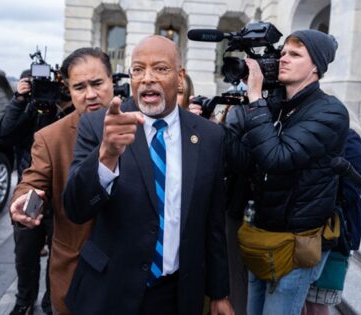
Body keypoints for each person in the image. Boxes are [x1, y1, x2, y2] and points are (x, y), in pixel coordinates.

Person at [62, 35, 234, 315]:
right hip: (109, 292)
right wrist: (106, 155)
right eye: (138, 69)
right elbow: (75, 208)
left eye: (160, 69)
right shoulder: (99, 125)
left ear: (180, 78)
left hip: (177, 295)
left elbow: (213, 223)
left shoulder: (209, 136)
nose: (147, 78)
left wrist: (219, 293)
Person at [223, 29, 349, 315]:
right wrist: (212, 130)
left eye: (294, 54)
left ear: (316, 65)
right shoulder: (277, 106)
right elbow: (247, 162)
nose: (283, 59)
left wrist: (255, 98)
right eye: (283, 53)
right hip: (262, 236)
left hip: (295, 246)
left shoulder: (330, 112)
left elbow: (276, 158)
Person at [8, 47, 114, 314]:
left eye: (97, 83)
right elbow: (33, 179)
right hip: (75, 271)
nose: (90, 94)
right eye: (79, 87)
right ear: (69, 89)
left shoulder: (140, 124)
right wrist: (23, 199)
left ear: (112, 81)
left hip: (133, 272)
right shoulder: (50, 137)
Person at [0, 69, 73, 315]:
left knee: (59, 251)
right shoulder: (27, 106)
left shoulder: (67, 106)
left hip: (61, 192)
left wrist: (63, 101)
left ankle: (52, 300)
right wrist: (19, 101)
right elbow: (7, 135)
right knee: (25, 250)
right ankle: (24, 300)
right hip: (29, 190)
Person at [302, 110, 361, 314]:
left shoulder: (349, 138)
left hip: (335, 231)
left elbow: (350, 189)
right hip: (315, 229)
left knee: (318, 299)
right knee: (306, 298)